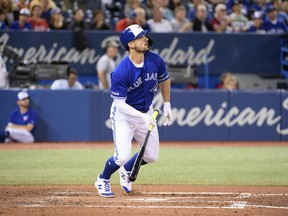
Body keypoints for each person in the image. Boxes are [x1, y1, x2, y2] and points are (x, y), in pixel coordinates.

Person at [95, 24, 172, 198]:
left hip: (145, 111)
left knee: (152, 156)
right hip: (124, 115)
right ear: (130, 44)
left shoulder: (155, 60)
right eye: (141, 37)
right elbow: (120, 104)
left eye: (145, 36)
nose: (146, 39)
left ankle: (127, 170)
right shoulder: (121, 71)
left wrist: (167, 104)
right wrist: (141, 117)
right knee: (122, 155)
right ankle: (103, 179)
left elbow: (165, 79)